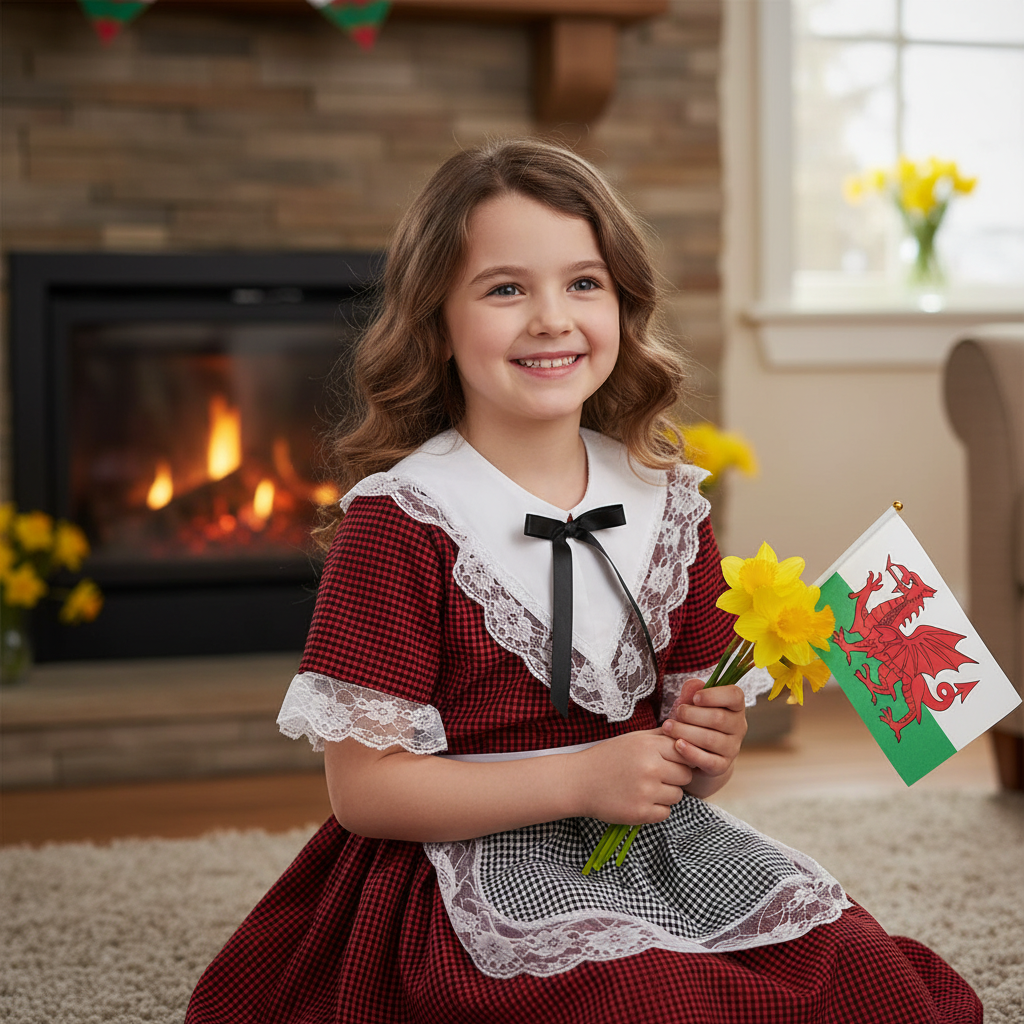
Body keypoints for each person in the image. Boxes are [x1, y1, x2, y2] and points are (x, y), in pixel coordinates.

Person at [186, 139, 981, 1024]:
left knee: (873, 981)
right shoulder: (404, 520)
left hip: (649, 851)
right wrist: (581, 780)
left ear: (623, 305)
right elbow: (366, 792)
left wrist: (710, 750)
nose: (550, 319)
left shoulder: (668, 502)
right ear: (436, 322)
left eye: (583, 283)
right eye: (505, 288)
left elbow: (688, 767)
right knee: (647, 1002)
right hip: (465, 867)